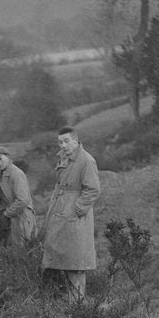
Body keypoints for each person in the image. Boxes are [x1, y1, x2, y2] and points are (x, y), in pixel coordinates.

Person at [41, 126, 102, 299]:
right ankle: (69, 302)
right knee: (62, 260)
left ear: (76, 140)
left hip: (75, 217)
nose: (63, 145)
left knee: (76, 262)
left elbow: (93, 190)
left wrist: (77, 209)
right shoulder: (64, 158)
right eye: (60, 142)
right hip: (60, 211)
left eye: (67, 141)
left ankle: (78, 306)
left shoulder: (86, 160)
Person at [0, 146, 37, 247]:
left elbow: (23, 200)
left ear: (8, 157)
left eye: (0, 159)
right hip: (12, 219)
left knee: (21, 251)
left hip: (21, 218)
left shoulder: (16, 174)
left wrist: (7, 213)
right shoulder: (2, 173)